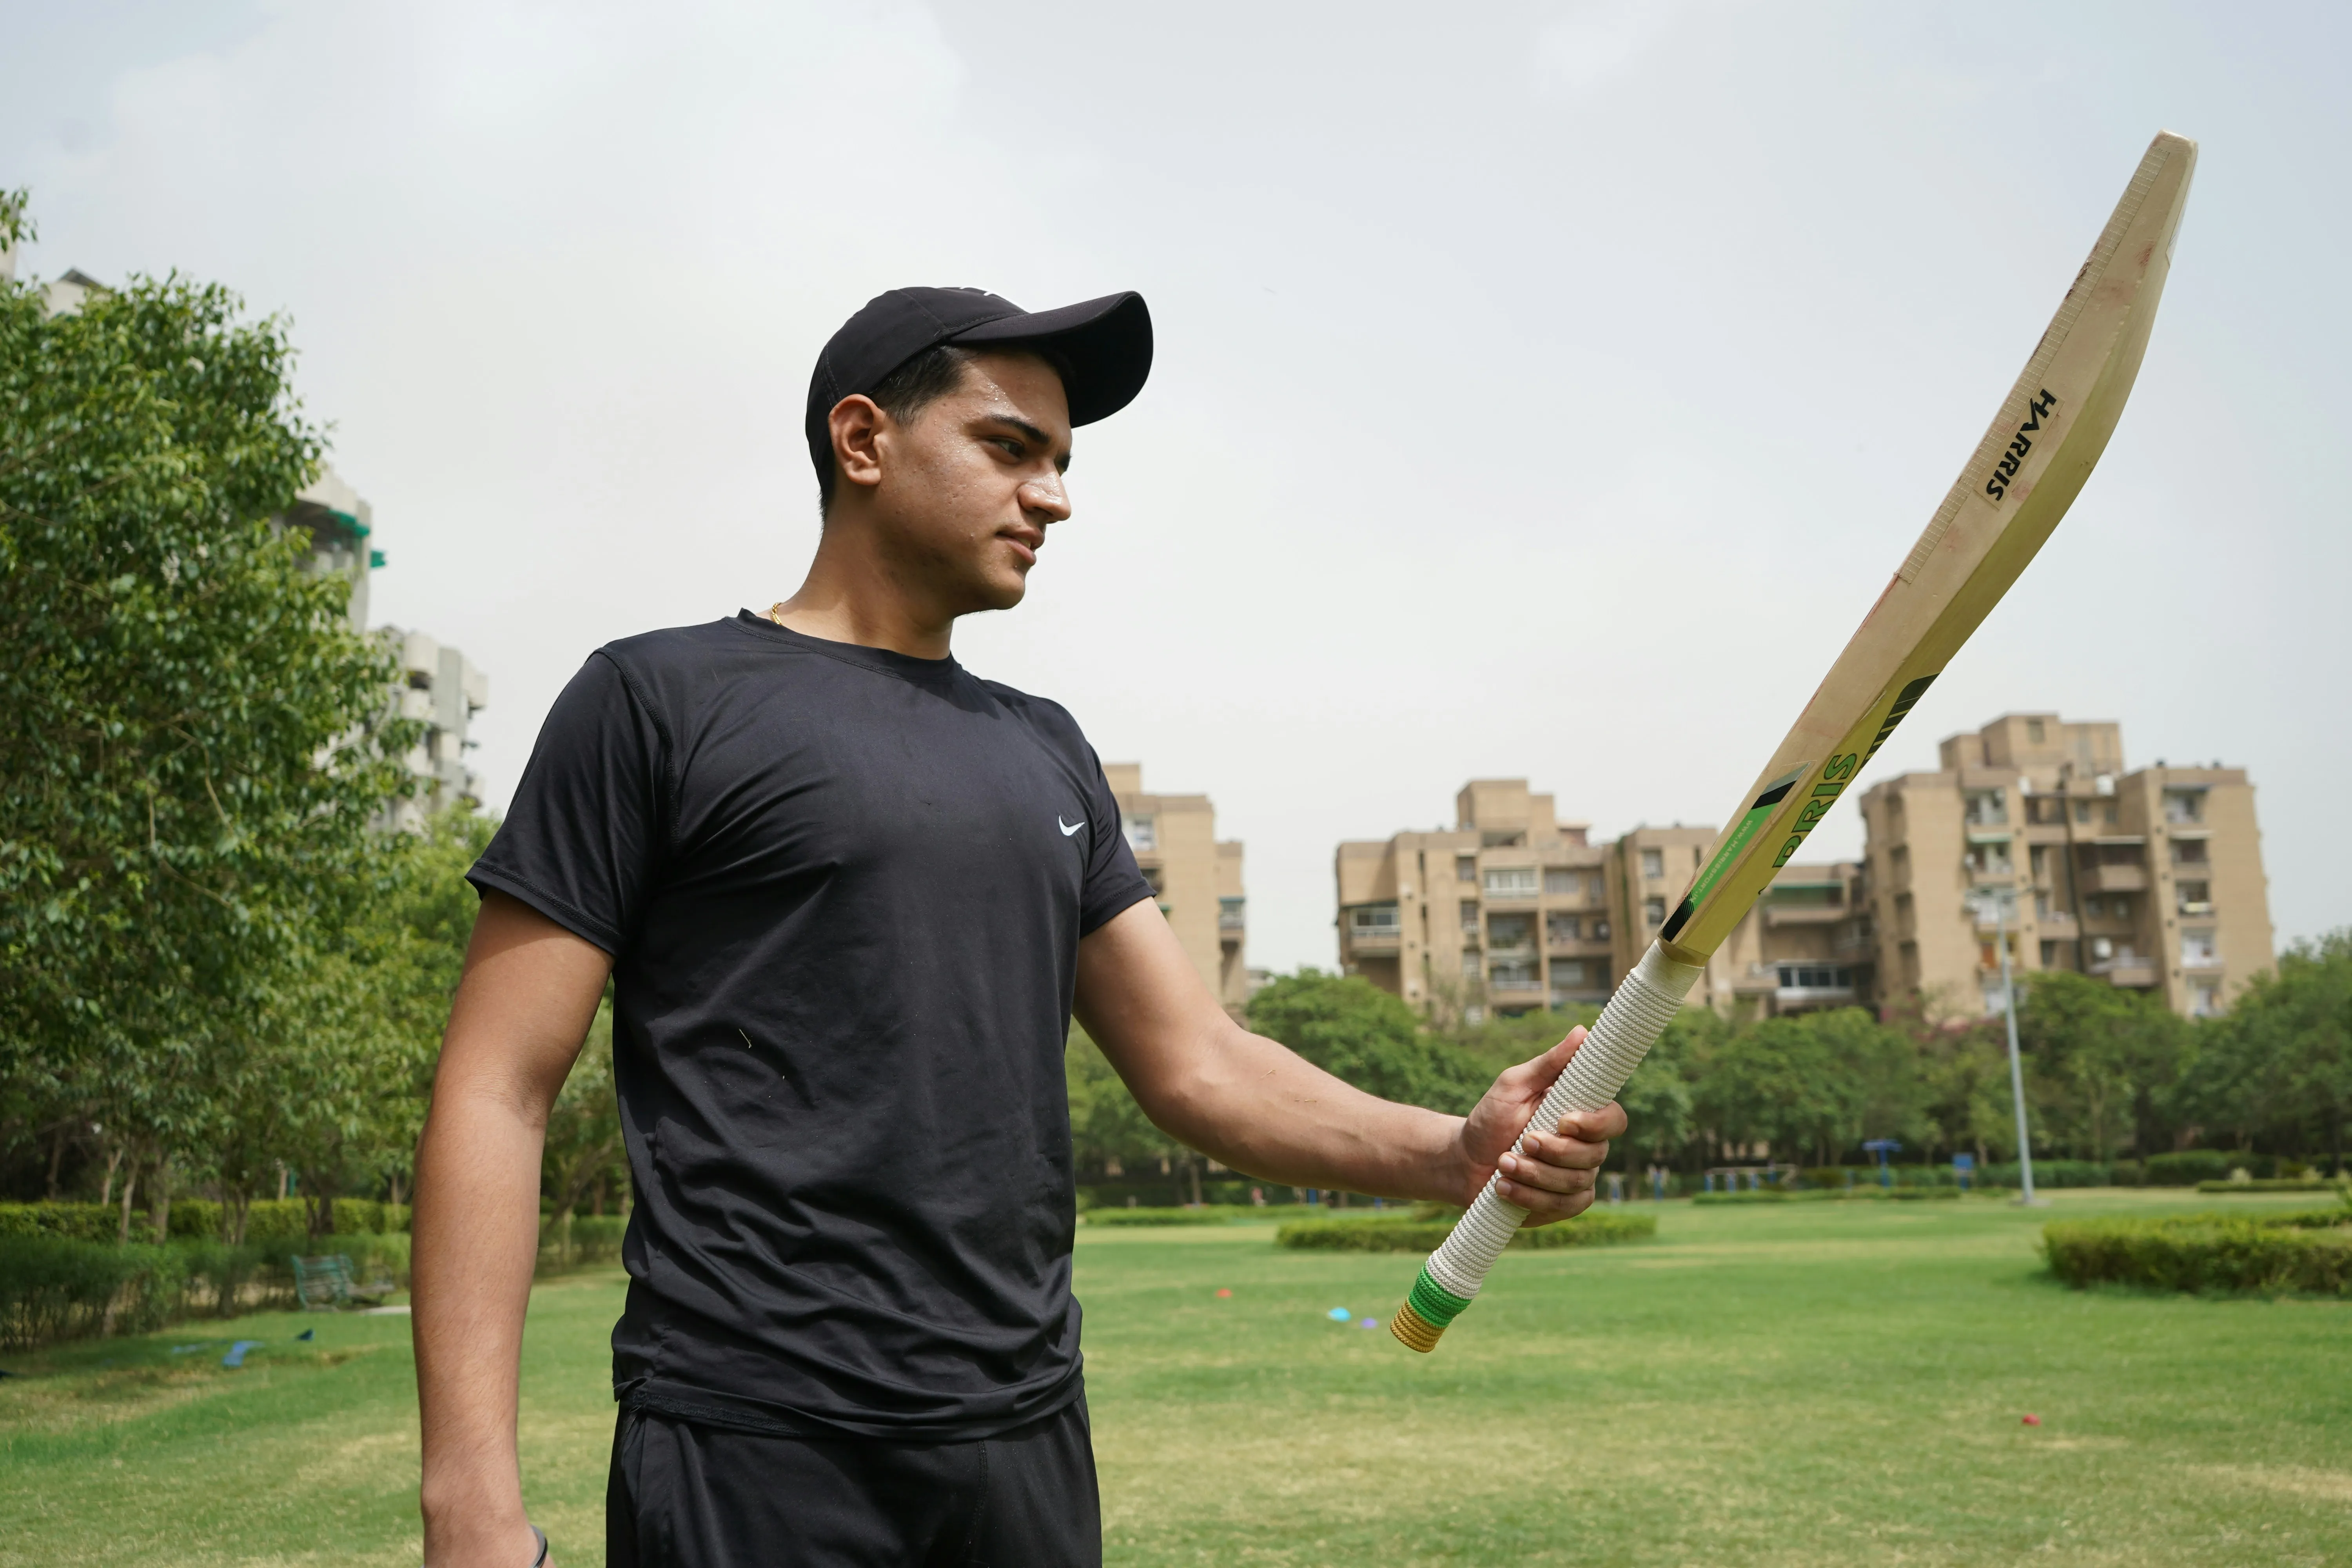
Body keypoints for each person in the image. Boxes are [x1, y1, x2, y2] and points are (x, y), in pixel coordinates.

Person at [410, 286, 1628, 1567]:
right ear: (864, 440)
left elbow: (1197, 1062)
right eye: (1010, 448)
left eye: (1061, 463)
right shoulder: (655, 702)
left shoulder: (1048, 754)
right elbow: (499, 1088)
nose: (1053, 496)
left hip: (1025, 1442)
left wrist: (1459, 1152)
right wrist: (469, 1503)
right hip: (756, 1442)